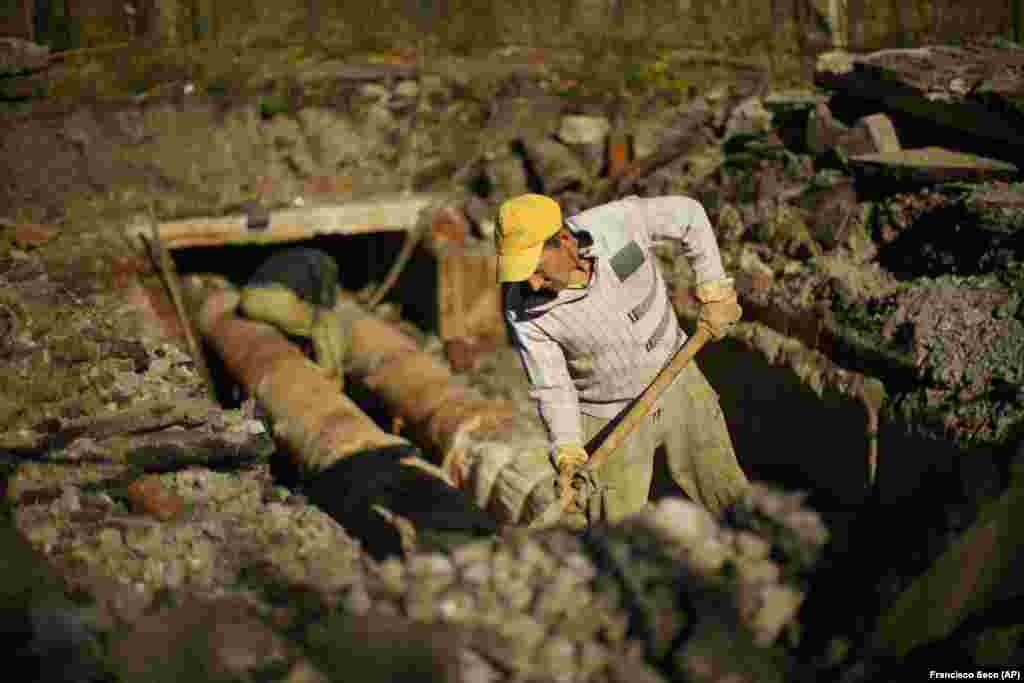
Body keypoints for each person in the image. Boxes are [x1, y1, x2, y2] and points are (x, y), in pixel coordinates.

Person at [496, 193, 750, 523]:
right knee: (618, 536)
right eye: (520, 273)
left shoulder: (617, 225)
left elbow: (689, 215)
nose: (530, 282)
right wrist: (568, 452)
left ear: (563, 239)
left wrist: (715, 289)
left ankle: (765, 562)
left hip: (679, 381)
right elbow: (553, 388)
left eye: (537, 269)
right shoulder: (524, 311)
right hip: (608, 416)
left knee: (728, 496)